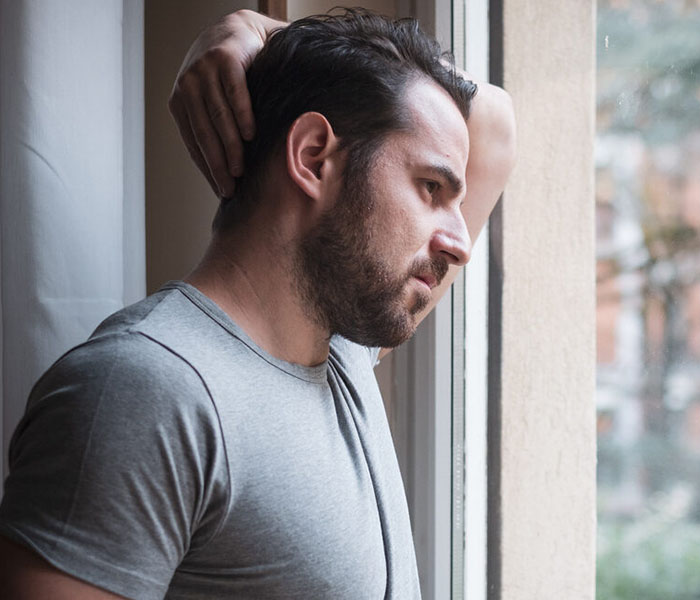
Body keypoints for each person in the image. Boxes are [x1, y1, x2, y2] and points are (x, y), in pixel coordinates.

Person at [0, 8, 515, 600]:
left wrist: (255, 31)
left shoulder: (343, 348)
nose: (459, 243)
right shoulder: (143, 393)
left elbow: (495, 123)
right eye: (431, 188)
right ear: (314, 156)